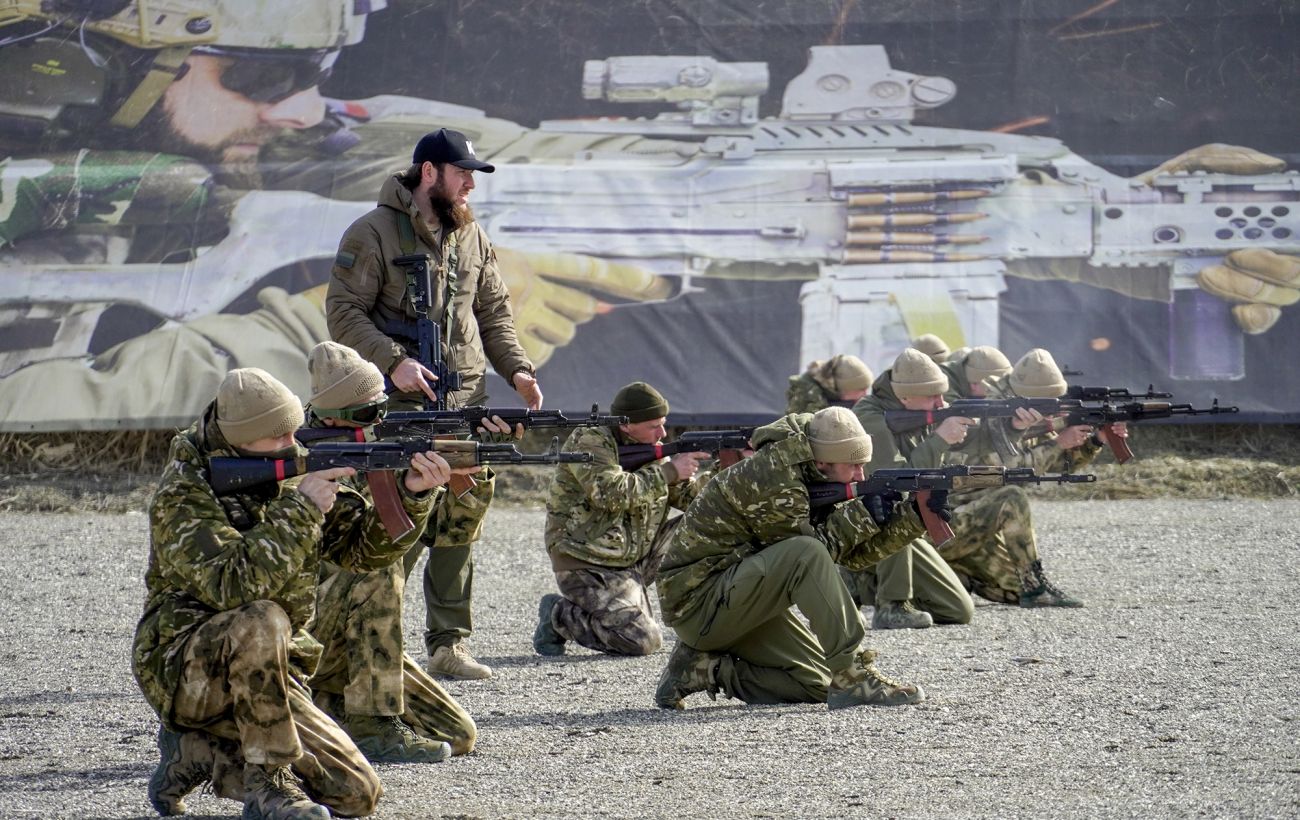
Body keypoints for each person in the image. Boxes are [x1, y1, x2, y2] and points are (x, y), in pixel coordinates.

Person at [135, 367, 450, 818]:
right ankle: (269, 786)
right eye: (278, 437)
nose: (292, 444)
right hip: (185, 666)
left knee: (356, 794)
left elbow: (362, 552)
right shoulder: (183, 495)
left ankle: (198, 753)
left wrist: (415, 494)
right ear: (240, 439)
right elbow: (232, 586)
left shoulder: (284, 465)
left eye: (292, 431)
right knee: (263, 617)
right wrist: (302, 509)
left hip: (271, 672)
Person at [325, 127, 539, 680]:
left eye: (472, 175)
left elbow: (492, 313)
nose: (470, 183)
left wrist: (516, 369)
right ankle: (372, 638)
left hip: (467, 401)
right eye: (462, 172)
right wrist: (392, 359)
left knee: (461, 516)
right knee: (396, 519)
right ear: (428, 173)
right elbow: (344, 312)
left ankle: (448, 644)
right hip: (401, 405)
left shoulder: (471, 237)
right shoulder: (372, 233)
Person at [653, 407, 928, 710]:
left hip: (738, 599)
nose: (861, 476)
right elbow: (809, 556)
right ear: (823, 461)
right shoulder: (772, 475)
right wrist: (862, 514)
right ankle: (855, 675)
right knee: (807, 553)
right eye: (854, 466)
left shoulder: (811, 471)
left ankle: (702, 669)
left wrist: (911, 518)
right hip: (699, 606)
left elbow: (853, 557)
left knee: (820, 685)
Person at [301, 342, 477, 762]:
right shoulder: (296, 460)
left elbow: (396, 529)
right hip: (305, 630)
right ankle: (373, 726)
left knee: (457, 733)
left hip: (358, 643)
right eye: (367, 414)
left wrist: (419, 490)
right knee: (377, 570)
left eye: (381, 407)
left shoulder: (377, 444)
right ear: (331, 417)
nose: (380, 420)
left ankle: (322, 712)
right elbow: (367, 555)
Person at [853, 348, 1078, 614]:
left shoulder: (915, 408)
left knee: (1006, 591)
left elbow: (975, 441)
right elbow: (897, 482)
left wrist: (1014, 427)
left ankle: (956, 575)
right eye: (933, 396)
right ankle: (875, 590)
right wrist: (939, 440)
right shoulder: (871, 420)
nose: (941, 403)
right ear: (904, 396)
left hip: (924, 523)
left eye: (942, 394)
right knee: (1011, 499)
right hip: (890, 536)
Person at [533, 381, 708, 657]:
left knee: (702, 524)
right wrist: (670, 472)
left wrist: (732, 465)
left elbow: (692, 500)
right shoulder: (589, 441)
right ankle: (559, 616)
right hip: (587, 563)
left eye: (663, 424)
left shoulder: (653, 448)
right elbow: (608, 492)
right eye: (654, 425)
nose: (662, 433)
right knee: (642, 641)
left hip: (631, 561)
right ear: (626, 425)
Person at [936, 347, 1119, 606]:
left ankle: (957, 576)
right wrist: (1058, 442)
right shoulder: (988, 411)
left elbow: (1060, 464)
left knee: (1014, 591)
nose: (1054, 411)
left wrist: (1094, 442)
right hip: (948, 526)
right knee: (1013, 497)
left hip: (979, 524)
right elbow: (1009, 470)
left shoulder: (1027, 413)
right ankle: (1034, 588)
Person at [784, 354, 874, 414]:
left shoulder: (842, 398)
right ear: (843, 390)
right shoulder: (807, 397)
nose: (865, 394)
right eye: (860, 389)